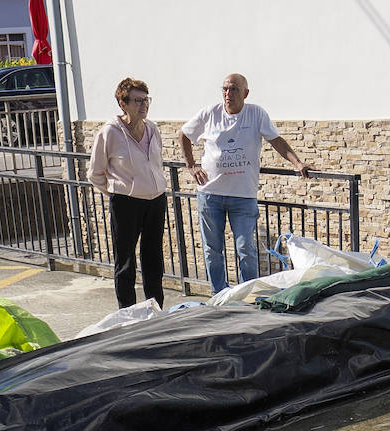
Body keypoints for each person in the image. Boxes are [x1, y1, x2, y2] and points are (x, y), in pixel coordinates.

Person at [180, 73, 312, 292]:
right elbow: (183, 135)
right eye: (224, 89)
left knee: (246, 249)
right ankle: (219, 294)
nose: (227, 94)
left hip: (243, 196)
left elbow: (276, 140)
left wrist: (298, 163)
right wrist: (191, 165)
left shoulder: (255, 114)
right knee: (212, 249)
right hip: (210, 194)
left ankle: (250, 295)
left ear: (245, 93)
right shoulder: (209, 113)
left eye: (233, 89)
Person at [88, 77, 168, 309]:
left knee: (153, 259)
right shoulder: (110, 132)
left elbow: (156, 164)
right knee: (126, 262)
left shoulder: (153, 129)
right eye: (137, 101)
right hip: (126, 203)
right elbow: (95, 173)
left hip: (155, 200)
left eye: (146, 100)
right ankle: (128, 313)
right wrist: (117, 191)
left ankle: (156, 310)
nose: (144, 105)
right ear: (123, 104)